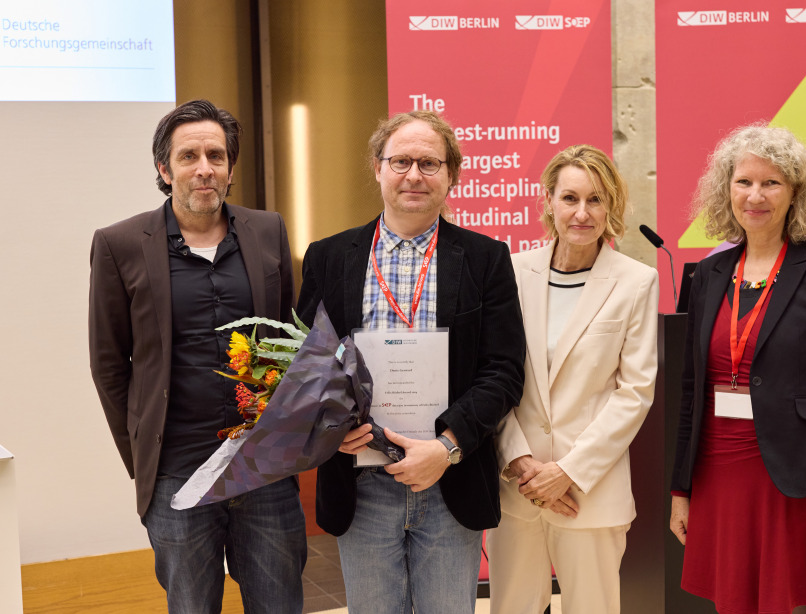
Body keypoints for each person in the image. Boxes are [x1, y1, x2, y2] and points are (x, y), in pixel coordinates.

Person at [295, 109, 525, 613]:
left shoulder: (487, 259)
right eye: (400, 161)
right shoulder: (328, 258)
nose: (414, 175)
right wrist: (335, 426)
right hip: (361, 481)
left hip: (450, 479)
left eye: (429, 163)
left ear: (451, 175)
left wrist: (446, 447)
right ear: (377, 168)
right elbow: (307, 366)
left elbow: (504, 371)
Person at [89, 99, 308, 613]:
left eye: (216, 154)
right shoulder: (119, 244)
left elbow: (288, 344)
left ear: (231, 167)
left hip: (264, 469)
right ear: (164, 170)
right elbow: (108, 364)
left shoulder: (268, 230)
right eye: (189, 156)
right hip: (176, 474)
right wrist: (144, 457)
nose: (204, 168)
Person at [669, 124, 806, 614]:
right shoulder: (709, 273)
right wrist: (681, 488)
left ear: (795, 193)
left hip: (790, 480)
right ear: (726, 189)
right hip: (719, 473)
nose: (755, 195)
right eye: (744, 182)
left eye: (771, 182)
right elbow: (693, 389)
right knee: (730, 603)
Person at [486, 145, 659, 613]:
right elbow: (492, 376)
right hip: (517, 488)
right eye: (570, 198)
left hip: (590, 491)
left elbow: (635, 393)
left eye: (596, 200)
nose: (582, 213)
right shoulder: (511, 270)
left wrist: (568, 472)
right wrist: (520, 461)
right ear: (548, 201)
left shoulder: (636, 281)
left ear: (612, 207)